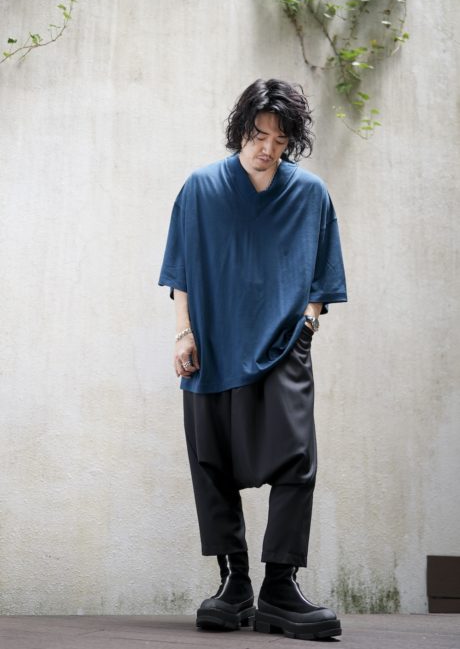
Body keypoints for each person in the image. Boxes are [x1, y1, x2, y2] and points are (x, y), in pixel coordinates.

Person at [158, 78, 347, 641]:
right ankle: (234, 584)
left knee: (296, 462)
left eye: (280, 140)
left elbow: (323, 275)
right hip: (214, 344)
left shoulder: (310, 194)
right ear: (241, 129)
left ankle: (280, 589)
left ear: (293, 141)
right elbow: (180, 268)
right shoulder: (201, 188)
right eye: (259, 135)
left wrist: (308, 323)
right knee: (211, 460)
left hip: (284, 345)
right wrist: (183, 334)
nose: (267, 148)